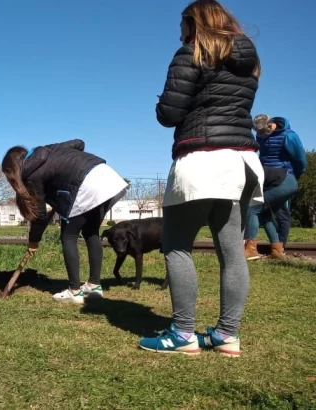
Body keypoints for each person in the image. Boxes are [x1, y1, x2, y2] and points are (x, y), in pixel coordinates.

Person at [139, 0, 264, 357]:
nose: (179, 32)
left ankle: (182, 334)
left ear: (192, 24)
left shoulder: (190, 52)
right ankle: (227, 334)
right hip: (241, 159)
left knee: (176, 245)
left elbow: (169, 113)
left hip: (201, 159)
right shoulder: (248, 61)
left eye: (181, 26)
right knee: (232, 253)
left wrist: (161, 103)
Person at [1, 139, 128, 304]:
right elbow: (79, 143)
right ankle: (94, 286)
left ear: (14, 169)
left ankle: (75, 291)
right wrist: (73, 166)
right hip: (106, 175)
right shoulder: (49, 150)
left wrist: (33, 241)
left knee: (68, 236)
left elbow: (39, 216)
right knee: (91, 232)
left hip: (86, 183)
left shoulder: (31, 174)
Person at [252, 114, 307, 253]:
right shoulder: (261, 135)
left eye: (263, 133)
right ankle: (275, 246)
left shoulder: (289, 136)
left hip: (284, 177)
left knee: (282, 213)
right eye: (258, 134)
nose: (261, 136)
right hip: (266, 177)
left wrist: (296, 175)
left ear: (270, 125)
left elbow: (300, 159)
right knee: (266, 211)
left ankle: (280, 247)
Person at [244, 167, 296, 259]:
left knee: (252, 210)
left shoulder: (242, 171)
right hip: (289, 182)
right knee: (265, 215)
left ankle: (251, 249)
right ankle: (277, 251)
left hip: (282, 184)